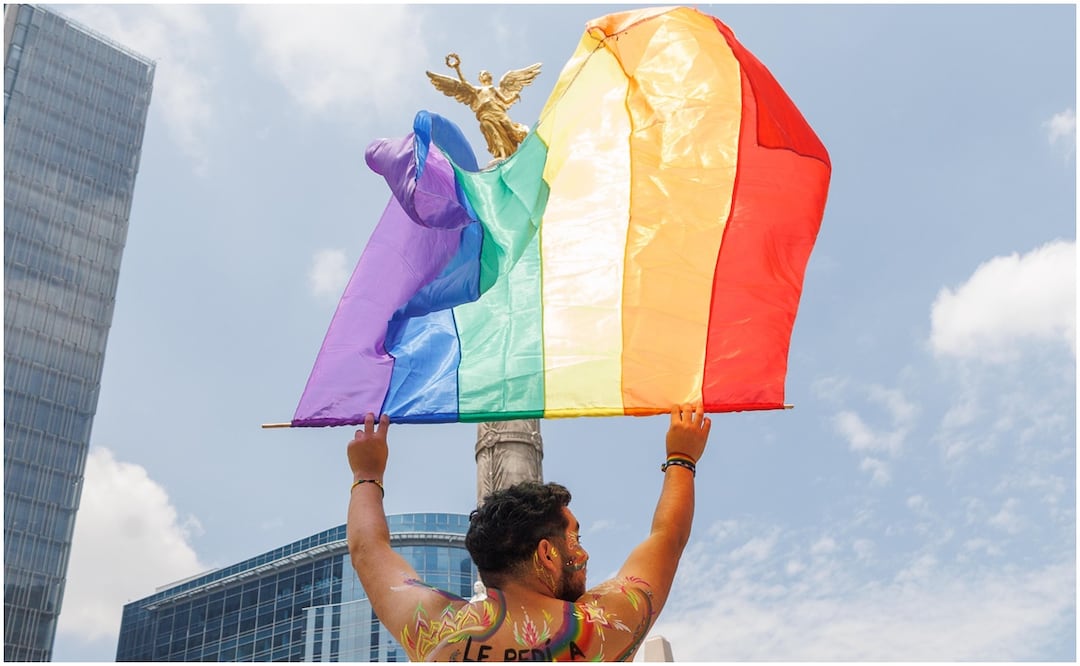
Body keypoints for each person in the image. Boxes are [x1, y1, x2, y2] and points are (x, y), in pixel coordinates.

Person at [346, 404, 712, 662]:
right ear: (547, 554)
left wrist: (366, 474)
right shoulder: (603, 627)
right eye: (575, 539)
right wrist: (682, 457)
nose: (583, 555)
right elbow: (667, 538)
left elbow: (367, 549)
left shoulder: (439, 630)